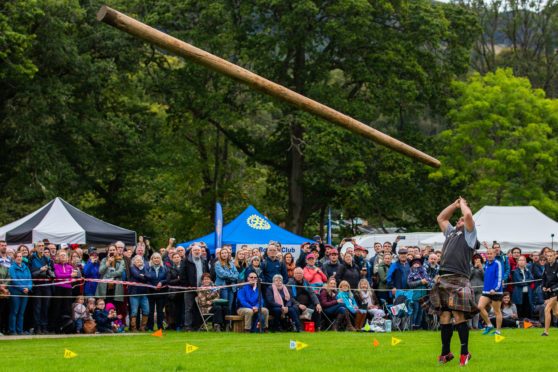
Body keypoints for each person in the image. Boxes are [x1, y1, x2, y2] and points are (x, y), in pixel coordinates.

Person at [430, 198, 478, 366]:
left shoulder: (470, 235)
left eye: (462, 219)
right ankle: (446, 353)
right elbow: (441, 218)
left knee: (458, 315)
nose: (460, 220)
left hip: (459, 278)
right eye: (459, 219)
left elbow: (469, 215)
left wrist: (464, 206)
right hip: (443, 278)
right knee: (444, 315)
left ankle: (464, 353)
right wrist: (455, 205)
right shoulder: (451, 232)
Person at [180, 244, 209, 332]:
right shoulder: (186, 261)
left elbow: (206, 273)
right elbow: (182, 274)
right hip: (190, 288)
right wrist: (186, 285)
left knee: (199, 308)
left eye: (198, 250)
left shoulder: (204, 260)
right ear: (191, 252)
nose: (197, 252)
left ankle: (197, 326)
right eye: (195, 250)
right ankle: (188, 326)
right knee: (188, 308)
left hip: (201, 288)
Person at [28, 241, 53, 335]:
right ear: (36, 247)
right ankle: (37, 327)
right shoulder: (32, 258)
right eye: (39, 246)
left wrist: (48, 273)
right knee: (37, 307)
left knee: (45, 307)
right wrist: (40, 270)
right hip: (37, 285)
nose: (41, 248)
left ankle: (44, 326)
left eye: (43, 246)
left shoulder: (46, 259)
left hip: (46, 285)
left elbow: (51, 271)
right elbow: (30, 271)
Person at [478, 247, 503, 336]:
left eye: (491, 254)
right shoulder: (487, 264)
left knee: (497, 311)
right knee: (479, 307)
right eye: (488, 254)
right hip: (486, 290)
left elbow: (499, 278)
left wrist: (495, 288)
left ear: (494, 254)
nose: (489, 255)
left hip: (496, 291)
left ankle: (498, 331)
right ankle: (489, 325)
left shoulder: (498, 263)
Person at [95, 244, 125, 320]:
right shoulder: (104, 260)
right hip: (105, 287)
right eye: (110, 250)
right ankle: (106, 323)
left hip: (116, 287)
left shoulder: (121, 260)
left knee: (115, 306)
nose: (112, 251)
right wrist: (108, 262)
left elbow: (120, 272)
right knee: (105, 306)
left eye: (113, 250)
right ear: (108, 251)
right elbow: (101, 271)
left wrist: (108, 274)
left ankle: (115, 324)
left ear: (116, 251)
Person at [53, 250, 78, 333]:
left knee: (67, 308)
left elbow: (73, 278)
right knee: (57, 308)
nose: (63, 257)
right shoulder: (56, 265)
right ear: (58, 257)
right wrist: (69, 275)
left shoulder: (70, 267)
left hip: (68, 289)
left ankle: (67, 326)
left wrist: (70, 277)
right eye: (61, 255)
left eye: (64, 255)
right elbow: (58, 275)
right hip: (59, 289)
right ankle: (57, 327)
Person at [8, 252, 32, 335]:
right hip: (15, 292)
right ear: (14, 258)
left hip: (25, 293)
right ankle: (13, 330)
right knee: (14, 311)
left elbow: (29, 280)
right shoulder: (12, 268)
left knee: (21, 313)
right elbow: (14, 280)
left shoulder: (26, 268)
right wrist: (22, 288)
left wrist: (28, 288)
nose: (19, 258)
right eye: (17, 256)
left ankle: (20, 330)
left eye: (20, 256)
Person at [407, 258, 433, 330]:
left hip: (423, 296)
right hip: (415, 295)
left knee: (421, 311)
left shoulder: (425, 273)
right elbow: (410, 284)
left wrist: (426, 282)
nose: (416, 265)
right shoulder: (411, 274)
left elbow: (429, 282)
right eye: (415, 264)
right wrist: (420, 282)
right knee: (415, 310)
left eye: (418, 264)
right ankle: (412, 325)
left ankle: (417, 325)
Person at [146, 252, 168, 331]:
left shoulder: (164, 268)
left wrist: (162, 282)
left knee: (160, 311)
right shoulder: (148, 268)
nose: (156, 259)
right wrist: (152, 286)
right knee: (151, 311)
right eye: (155, 258)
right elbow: (146, 279)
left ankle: (160, 327)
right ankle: (150, 327)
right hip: (151, 291)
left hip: (161, 292)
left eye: (158, 258)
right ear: (152, 259)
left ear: (160, 259)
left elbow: (167, 278)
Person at [128, 255, 150, 332]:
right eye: (137, 261)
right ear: (134, 262)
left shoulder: (145, 268)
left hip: (144, 293)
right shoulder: (132, 268)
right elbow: (136, 275)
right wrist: (143, 276)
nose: (139, 262)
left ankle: (143, 327)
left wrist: (143, 276)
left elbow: (149, 276)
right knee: (134, 311)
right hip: (134, 293)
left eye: (140, 260)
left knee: (146, 310)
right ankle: (133, 327)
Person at [215, 248, 239, 316]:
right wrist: (232, 276)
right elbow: (222, 274)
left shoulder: (231, 264)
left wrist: (231, 276)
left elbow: (237, 274)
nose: (224, 254)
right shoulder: (217, 264)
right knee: (224, 306)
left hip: (231, 288)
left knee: (230, 306)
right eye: (222, 253)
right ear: (220, 255)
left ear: (228, 254)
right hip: (223, 287)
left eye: (225, 253)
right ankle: (223, 323)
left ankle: (228, 324)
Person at [541, 248, 558, 336]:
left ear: (555, 256)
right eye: (548, 256)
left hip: (556, 291)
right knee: (556, 313)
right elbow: (544, 278)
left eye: (551, 256)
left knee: (547, 309)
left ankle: (546, 332)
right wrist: (543, 286)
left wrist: (552, 288)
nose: (549, 258)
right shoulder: (546, 265)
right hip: (549, 291)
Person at [166, 252, 183, 331]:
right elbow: (169, 281)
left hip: (183, 291)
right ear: (172, 259)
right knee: (174, 310)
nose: (176, 258)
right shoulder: (170, 268)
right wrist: (178, 279)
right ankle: (176, 325)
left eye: (178, 257)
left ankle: (182, 324)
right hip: (174, 292)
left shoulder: (183, 267)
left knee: (182, 309)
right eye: (175, 257)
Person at [469, 253, 484, 329]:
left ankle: (475, 325)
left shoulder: (483, 267)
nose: (477, 261)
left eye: (478, 259)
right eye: (475, 259)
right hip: (471, 289)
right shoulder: (470, 267)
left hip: (480, 289)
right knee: (471, 307)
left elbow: (484, 278)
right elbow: (469, 276)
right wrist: (474, 268)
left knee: (478, 308)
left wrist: (481, 269)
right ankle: (470, 325)